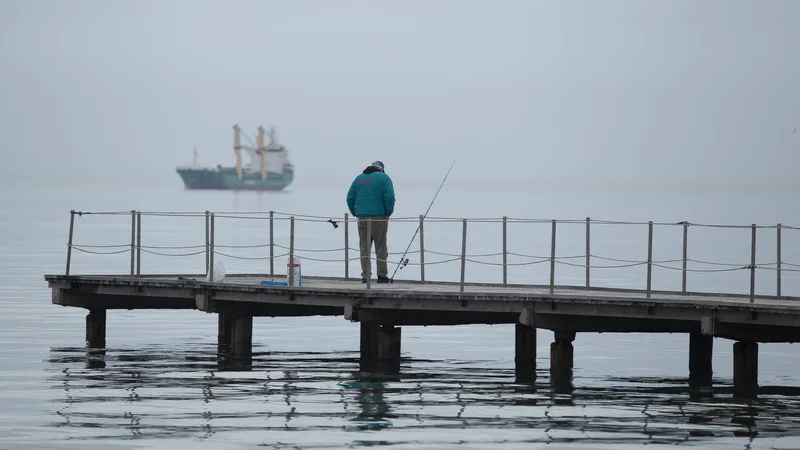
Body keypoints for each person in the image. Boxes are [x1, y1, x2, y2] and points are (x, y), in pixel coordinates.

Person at [346, 160, 395, 283]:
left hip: (362, 218)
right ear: (382, 169)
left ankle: (365, 276)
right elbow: (389, 197)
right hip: (379, 217)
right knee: (381, 247)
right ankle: (382, 276)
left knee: (364, 248)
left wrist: (356, 213)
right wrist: (388, 213)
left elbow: (349, 198)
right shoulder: (384, 178)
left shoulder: (359, 178)